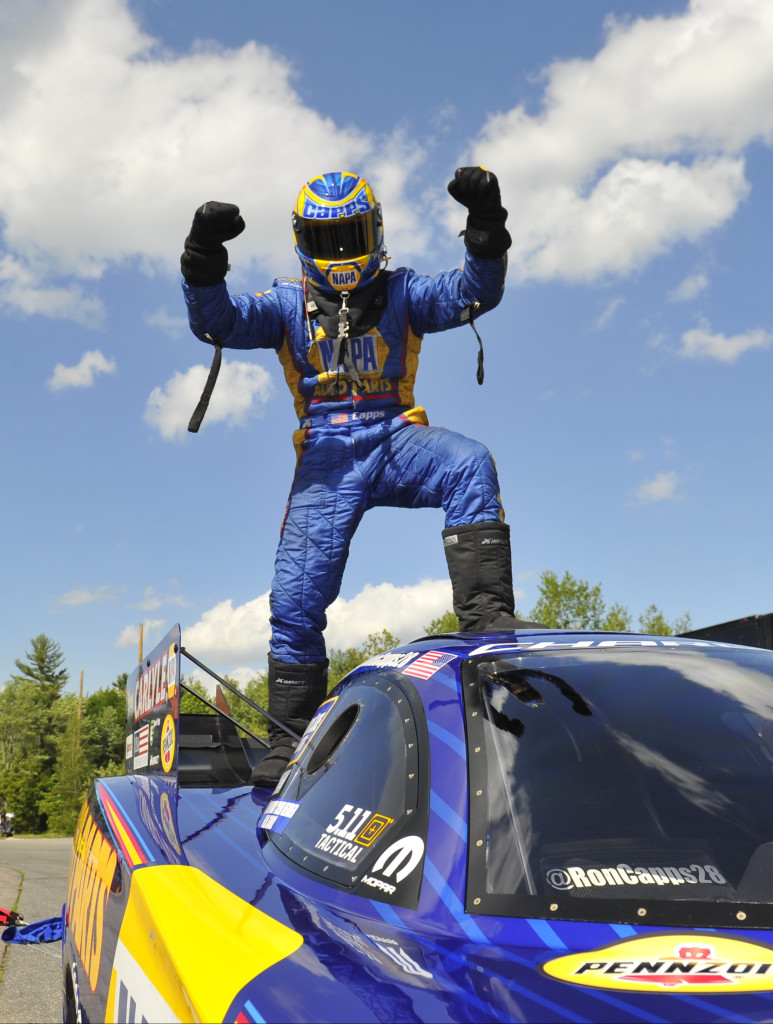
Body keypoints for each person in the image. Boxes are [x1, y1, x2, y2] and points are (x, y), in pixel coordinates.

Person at [181, 166, 517, 785]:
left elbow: (474, 293)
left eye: (349, 237)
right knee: (294, 598)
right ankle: (286, 739)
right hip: (327, 457)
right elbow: (219, 323)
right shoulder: (287, 305)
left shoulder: (403, 291)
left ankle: (488, 625)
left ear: (376, 231)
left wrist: (486, 226)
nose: (338, 253)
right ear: (301, 241)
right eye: (324, 240)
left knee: (469, 461)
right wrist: (202, 258)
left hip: (394, 435)